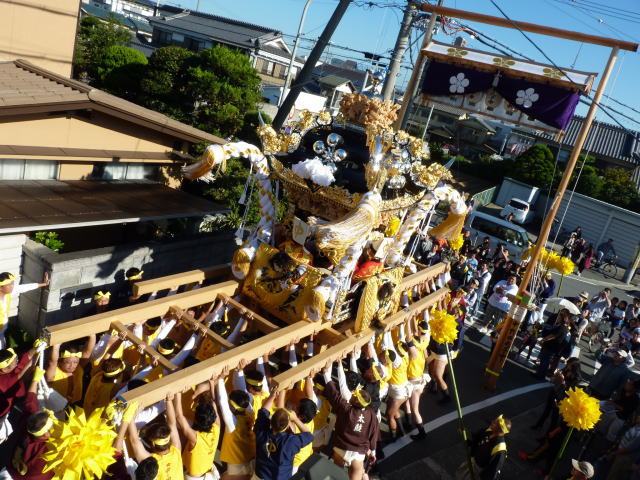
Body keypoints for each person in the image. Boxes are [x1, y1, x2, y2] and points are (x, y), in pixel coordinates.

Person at [323, 361, 379, 480]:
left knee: (336, 476)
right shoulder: (371, 414)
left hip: (341, 448)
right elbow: (374, 434)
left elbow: (334, 393)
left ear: (357, 401)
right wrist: (373, 451)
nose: (353, 393)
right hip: (359, 453)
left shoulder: (346, 409)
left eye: (355, 395)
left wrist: (325, 374)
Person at [253, 387, 313, 480]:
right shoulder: (290, 441)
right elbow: (309, 436)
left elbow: (263, 412)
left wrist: (272, 396)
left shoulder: (261, 431)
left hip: (259, 476)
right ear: (286, 426)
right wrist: (296, 419)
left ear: (271, 421)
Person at [128, 393, 183, 480]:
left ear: (153, 443)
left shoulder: (150, 462)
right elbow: (172, 424)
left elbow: (134, 440)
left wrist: (130, 414)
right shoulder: (176, 450)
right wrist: (169, 401)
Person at [174, 378, 221, 480]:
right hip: (206, 471)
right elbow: (214, 403)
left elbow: (178, 416)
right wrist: (212, 385)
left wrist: (177, 392)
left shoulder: (195, 437)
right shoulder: (217, 427)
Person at [0, 342, 40, 444]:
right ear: (5, 369)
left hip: (12, 402)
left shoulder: (9, 369)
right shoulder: (3, 381)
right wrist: (39, 352)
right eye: (15, 361)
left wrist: (36, 347)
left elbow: (28, 356)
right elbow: (25, 372)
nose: (17, 360)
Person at [0, 272, 49, 348]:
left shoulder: (8, 293)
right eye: (9, 284)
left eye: (13, 283)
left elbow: (24, 287)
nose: (12, 286)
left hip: (2, 329)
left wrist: (44, 284)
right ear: (0, 287)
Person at [45, 336, 96, 406]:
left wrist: (92, 335)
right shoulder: (54, 372)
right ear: (59, 362)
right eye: (67, 362)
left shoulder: (78, 369)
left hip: (74, 407)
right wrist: (56, 346)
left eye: (75, 362)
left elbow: (87, 352)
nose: (72, 365)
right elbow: (52, 362)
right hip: (55, 409)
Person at [457, 415, 511, 480]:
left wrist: (480, 478)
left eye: (495, 423)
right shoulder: (488, 430)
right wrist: (465, 433)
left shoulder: (500, 449)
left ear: (501, 430)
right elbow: (476, 438)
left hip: (479, 472)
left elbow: (493, 470)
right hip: (472, 462)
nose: (492, 422)